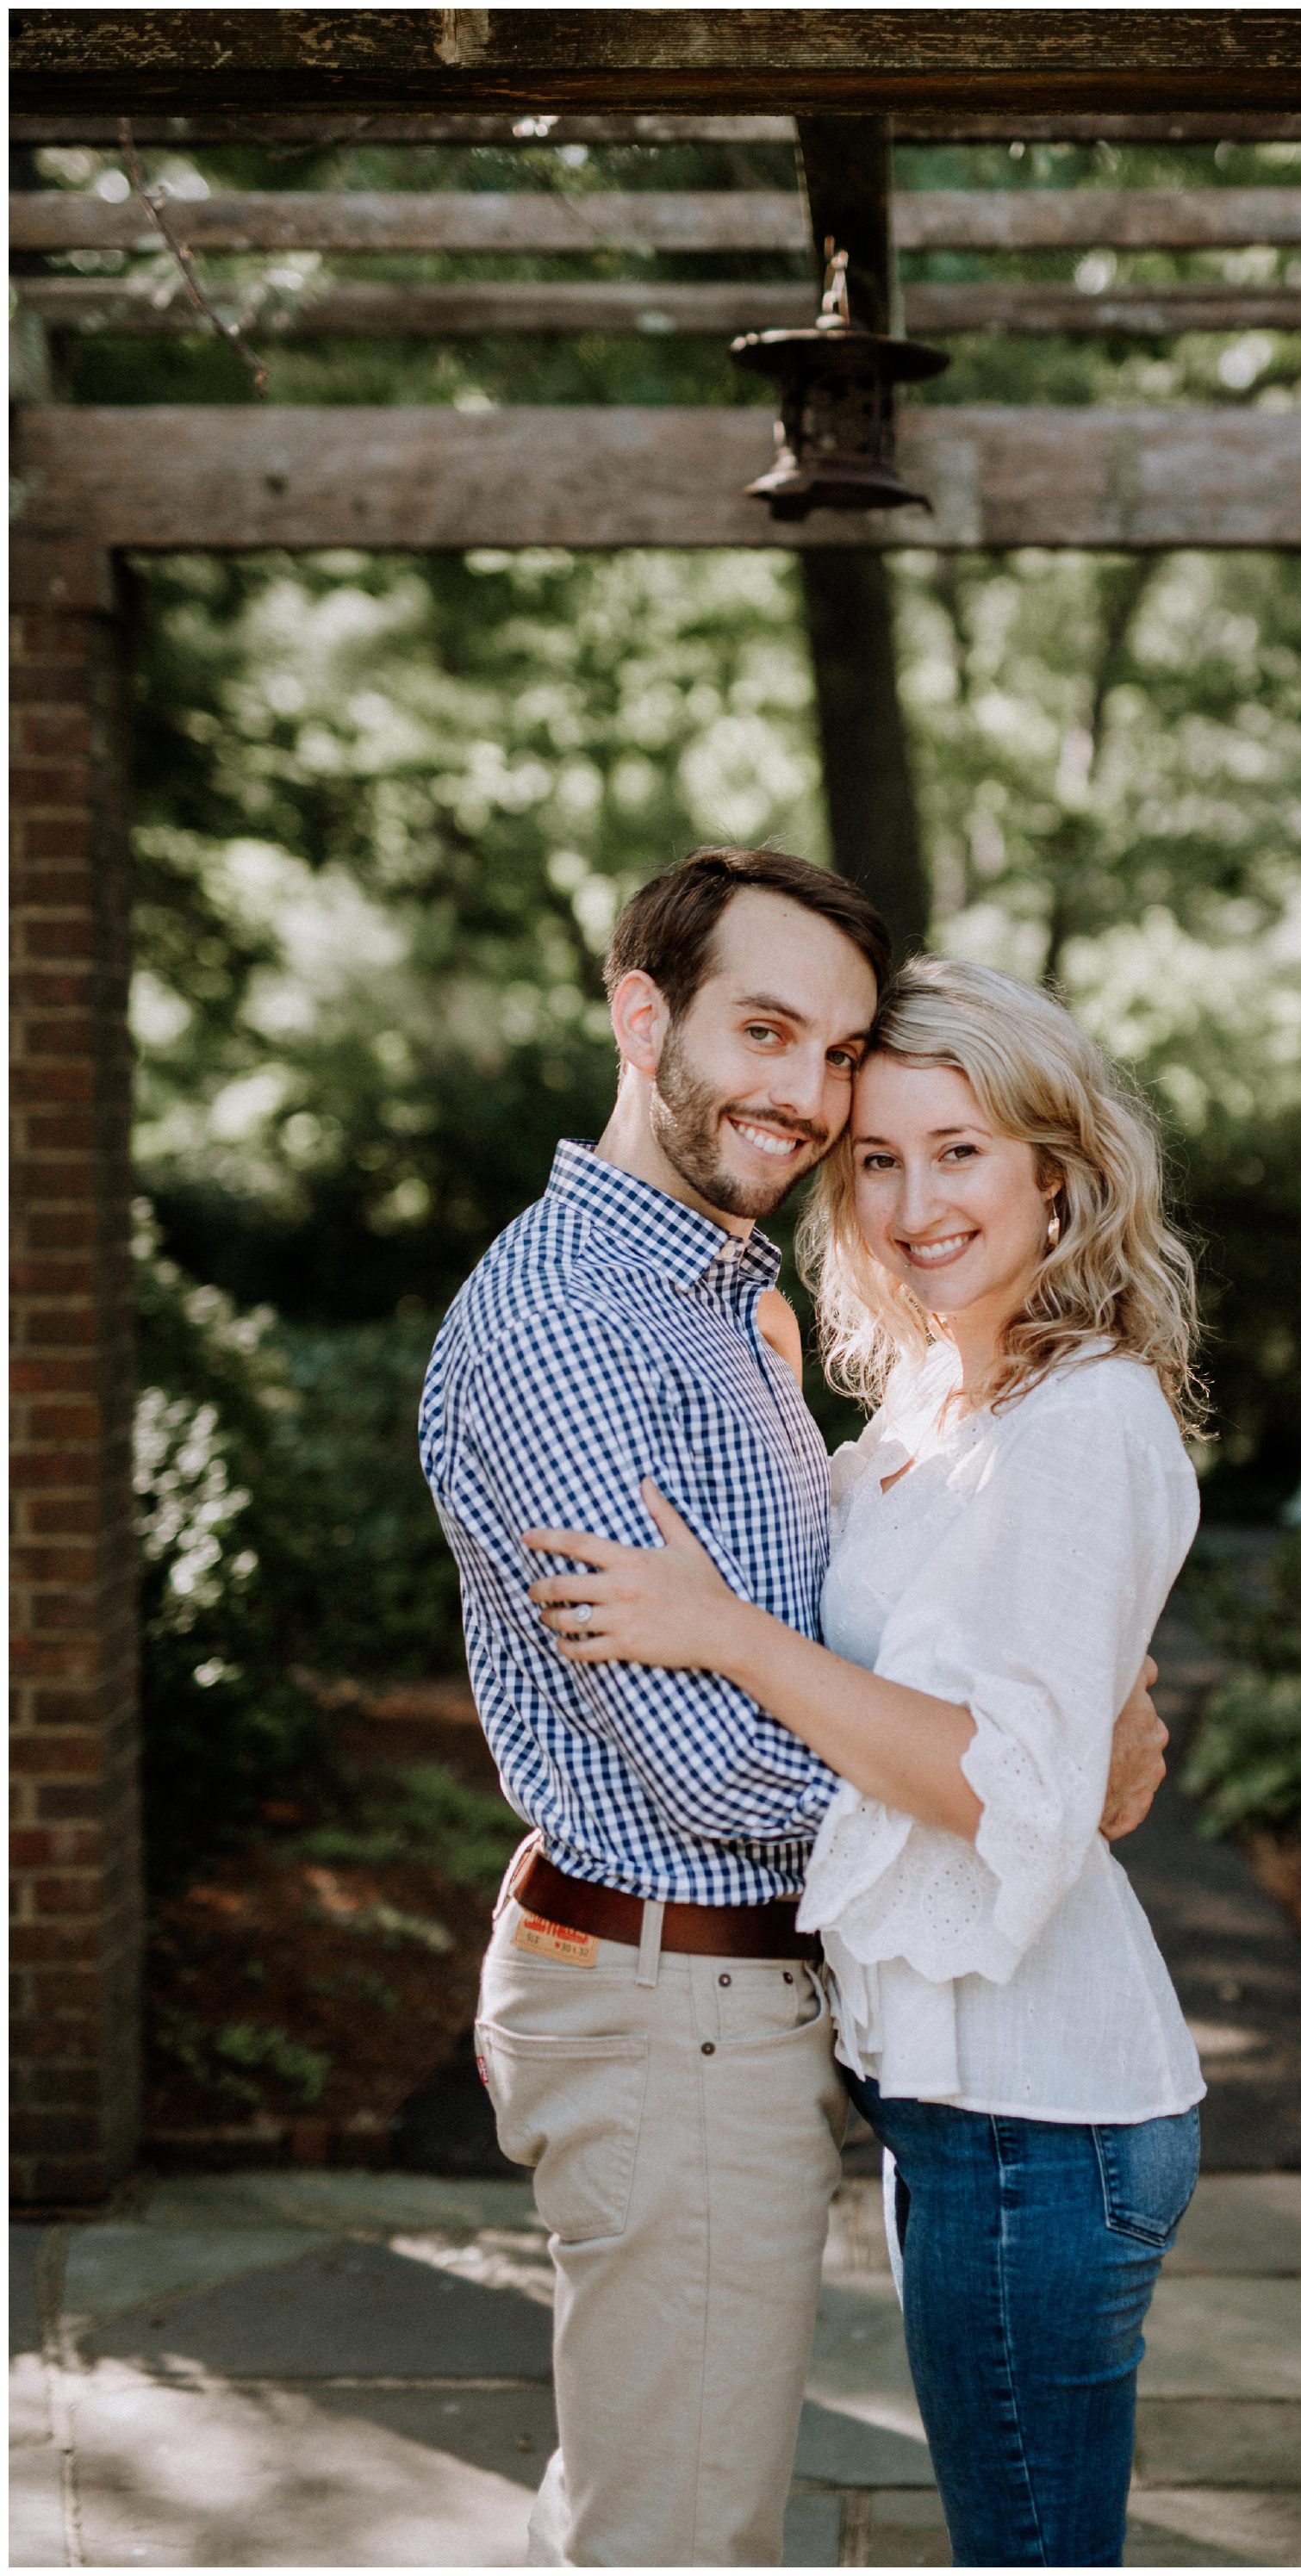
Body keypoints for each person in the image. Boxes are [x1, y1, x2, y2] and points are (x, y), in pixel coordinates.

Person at [419, 850, 1170, 2569]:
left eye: (837, 1052)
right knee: (677, 2529)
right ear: (641, 1017)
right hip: (668, 1989)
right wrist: (1015, 1783)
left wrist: (1040, 1751)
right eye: (765, 1029)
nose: (808, 1094)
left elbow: (905, 1619)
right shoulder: (569, 1330)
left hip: (732, 2003)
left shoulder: (723, 1305)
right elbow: (699, 1768)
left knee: (645, 2503)